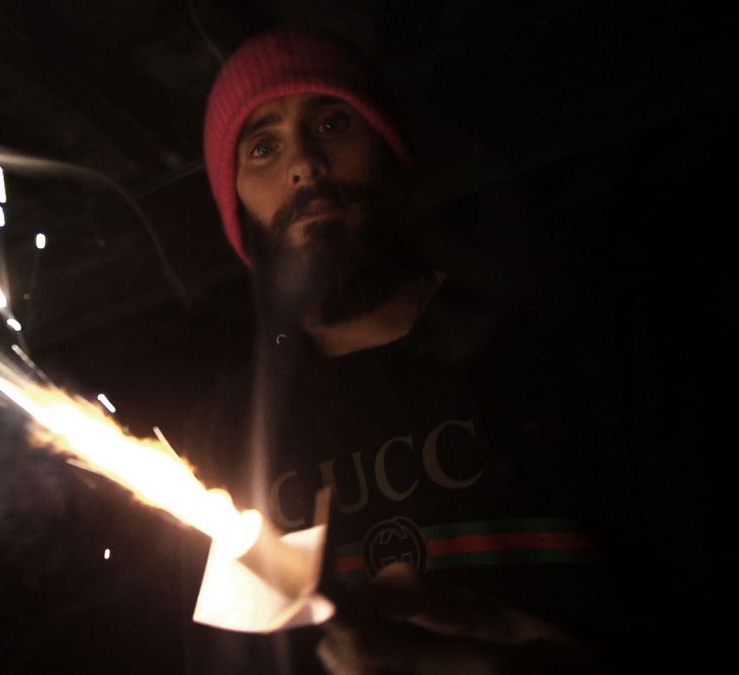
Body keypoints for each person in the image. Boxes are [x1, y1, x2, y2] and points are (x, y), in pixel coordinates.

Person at [182, 26, 726, 674]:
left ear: (393, 155)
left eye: (331, 122)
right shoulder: (229, 435)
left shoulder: (581, 347)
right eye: (263, 145)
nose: (304, 163)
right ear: (235, 210)